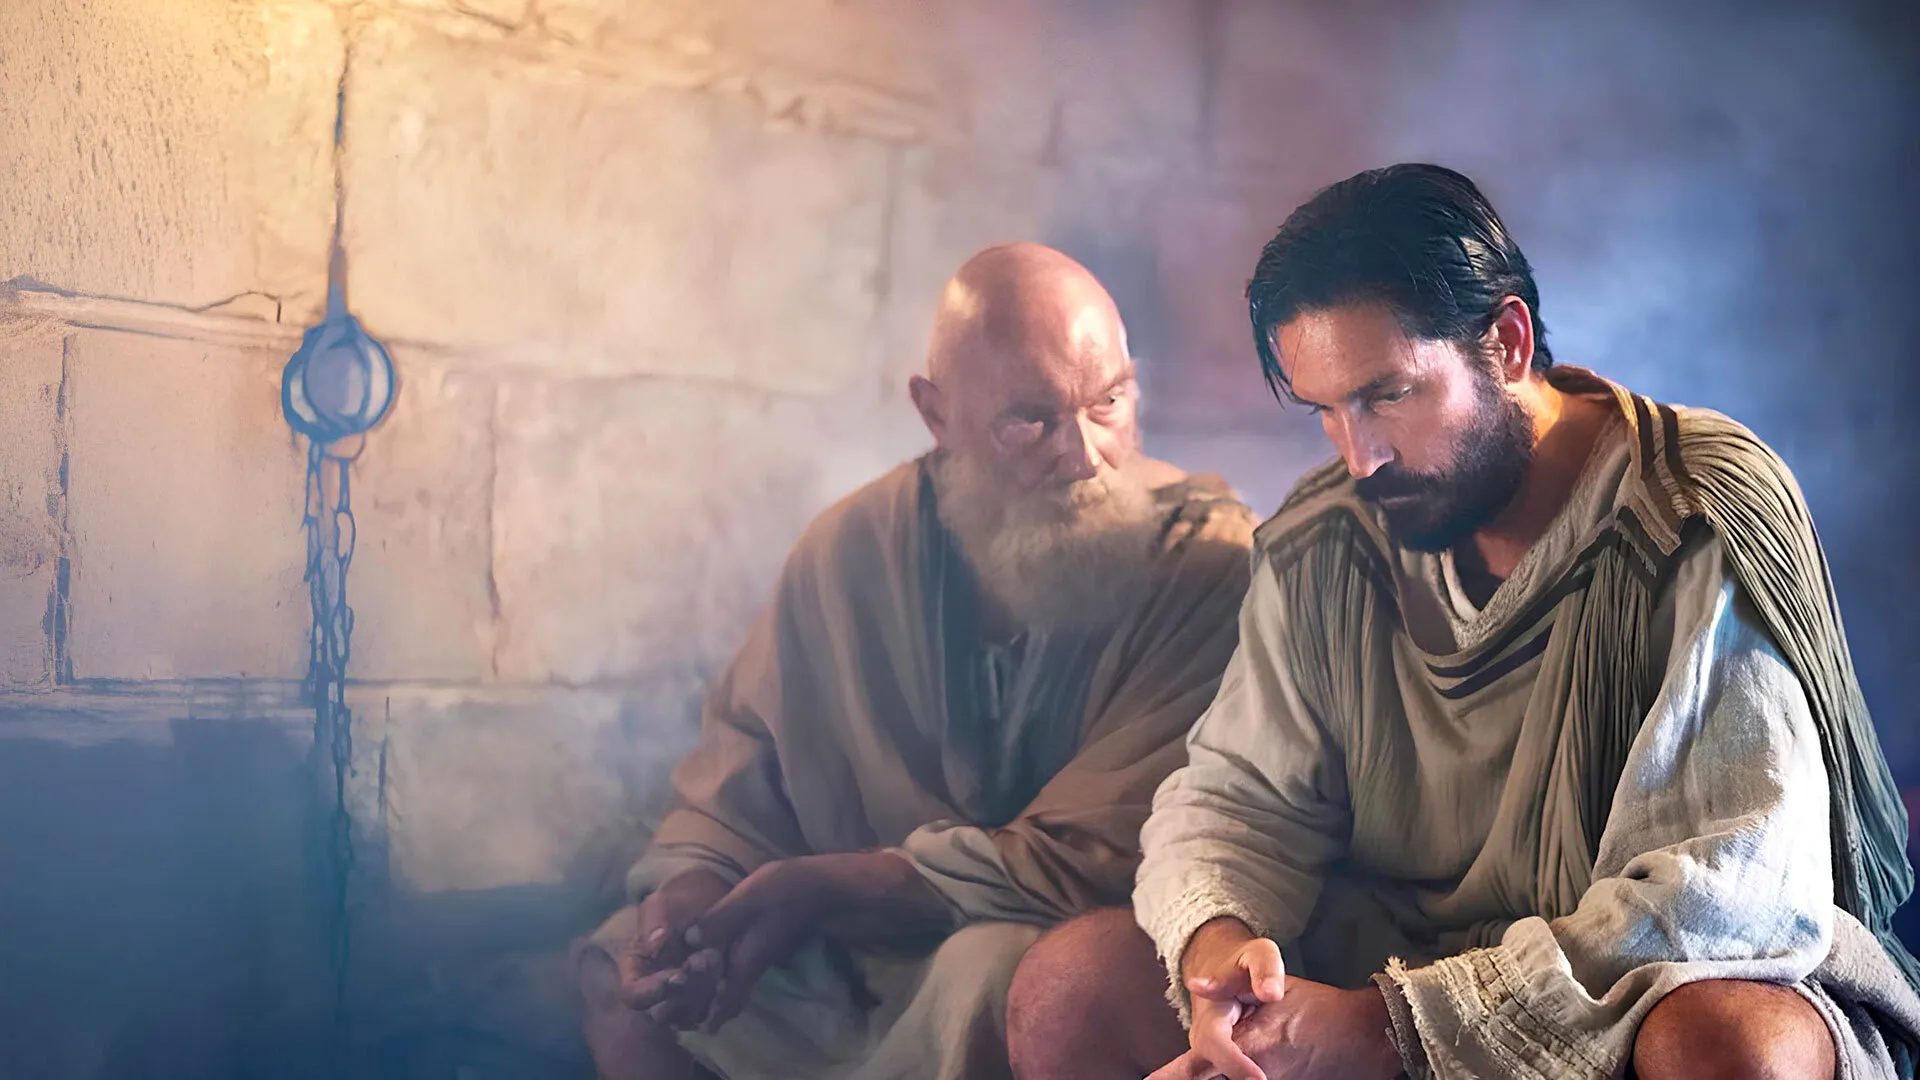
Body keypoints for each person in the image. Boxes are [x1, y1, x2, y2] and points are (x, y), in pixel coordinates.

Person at [1006, 164, 1920, 1080]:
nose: (1360, 457)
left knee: (1729, 1044)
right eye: (1326, 411)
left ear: (1507, 343)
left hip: (1626, 992)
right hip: (1384, 958)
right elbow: (1236, 799)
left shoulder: (1692, 509)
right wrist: (1224, 960)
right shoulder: (1328, 538)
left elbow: (1725, 891)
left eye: (1386, 395)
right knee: (1071, 986)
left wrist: (1391, 1026)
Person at [572, 242, 1256, 1080]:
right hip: (852, 955)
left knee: (1001, 974)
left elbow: (1117, 847)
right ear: (936, 414)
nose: (1083, 455)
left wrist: (838, 886)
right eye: (1030, 421)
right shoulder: (852, 550)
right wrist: (692, 905)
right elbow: (737, 789)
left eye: (1108, 402)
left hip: (1027, 943)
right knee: (621, 963)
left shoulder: (1207, 562)